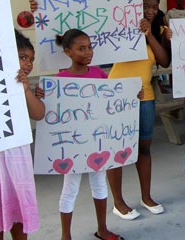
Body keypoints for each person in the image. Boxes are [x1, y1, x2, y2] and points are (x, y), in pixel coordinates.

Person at [107, 0, 171, 220]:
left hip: (145, 96)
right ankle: (118, 202)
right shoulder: (119, 28)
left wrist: (150, 35)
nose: (151, 11)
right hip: (117, 96)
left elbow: (164, 61)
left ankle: (146, 197)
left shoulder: (159, 30)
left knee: (144, 148)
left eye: (155, 6)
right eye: (146, 6)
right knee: (118, 151)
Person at [54, 29, 122, 240]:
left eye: (90, 47)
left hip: (97, 141)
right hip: (73, 144)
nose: (87, 52)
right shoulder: (60, 79)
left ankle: (102, 228)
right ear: (68, 52)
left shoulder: (100, 74)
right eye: (81, 48)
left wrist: (130, 94)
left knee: (99, 183)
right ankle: (66, 236)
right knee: (70, 188)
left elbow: (114, 99)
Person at [0, 31, 45, 240]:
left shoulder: (23, 87)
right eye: (23, 57)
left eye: (31, 59)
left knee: (18, 205)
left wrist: (26, 90)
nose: (27, 64)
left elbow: (38, 113)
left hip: (18, 156)